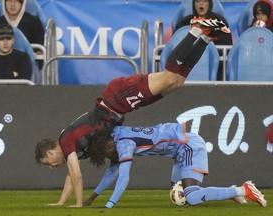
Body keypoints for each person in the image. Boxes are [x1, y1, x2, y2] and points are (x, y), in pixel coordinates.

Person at [35, 19, 231, 208]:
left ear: (51, 152)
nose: (52, 167)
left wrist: (78, 204)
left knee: (168, 76)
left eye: (48, 163)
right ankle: (206, 38)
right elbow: (72, 173)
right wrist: (62, 202)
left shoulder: (67, 142)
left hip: (117, 98)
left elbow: (76, 175)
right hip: (122, 104)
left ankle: (195, 30)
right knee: (176, 82)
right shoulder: (71, 145)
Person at [82, 123, 267, 208]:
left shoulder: (123, 145)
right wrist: (93, 196)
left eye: (107, 154)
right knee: (177, 192)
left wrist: (110, 204)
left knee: (192, 197)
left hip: (188, 146)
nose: (110, 157)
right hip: (179, 150)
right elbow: (111, 172)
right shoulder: (115, 135)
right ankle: (230, 192)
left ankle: (244, 190)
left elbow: (123, 177)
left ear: (108, 146)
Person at [173, 0, 233, 80]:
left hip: (212, 63)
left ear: (210, 4)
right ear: (194, 4)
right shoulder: (185, 22)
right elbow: (175, 44)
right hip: (186, 62)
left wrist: (206, 54)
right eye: (197, 1)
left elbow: (226, 45)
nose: (201, 3)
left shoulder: (219, 21)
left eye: (204, 1)